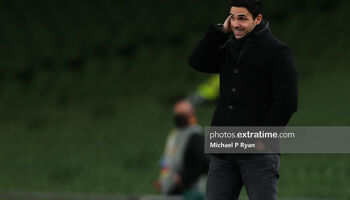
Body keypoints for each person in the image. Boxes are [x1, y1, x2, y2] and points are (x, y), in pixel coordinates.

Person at [188, 0, 298, 200]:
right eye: (232, 17)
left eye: (242, 18)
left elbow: (287, 101)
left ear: (258, 19)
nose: (236, 23)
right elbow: (197, 61)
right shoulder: (228, 47)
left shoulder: (278, 52)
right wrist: (221, 30)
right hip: (223, 151)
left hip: (258, 154)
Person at [155, 100, 210, 199]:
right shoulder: (175, 134)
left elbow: (207, 162)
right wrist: (163, 180)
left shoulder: (195, 135)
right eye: (178, 114)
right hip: (173, 190)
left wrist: (183, 176)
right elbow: (168, 159)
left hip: (189, 192)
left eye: (182, 114)